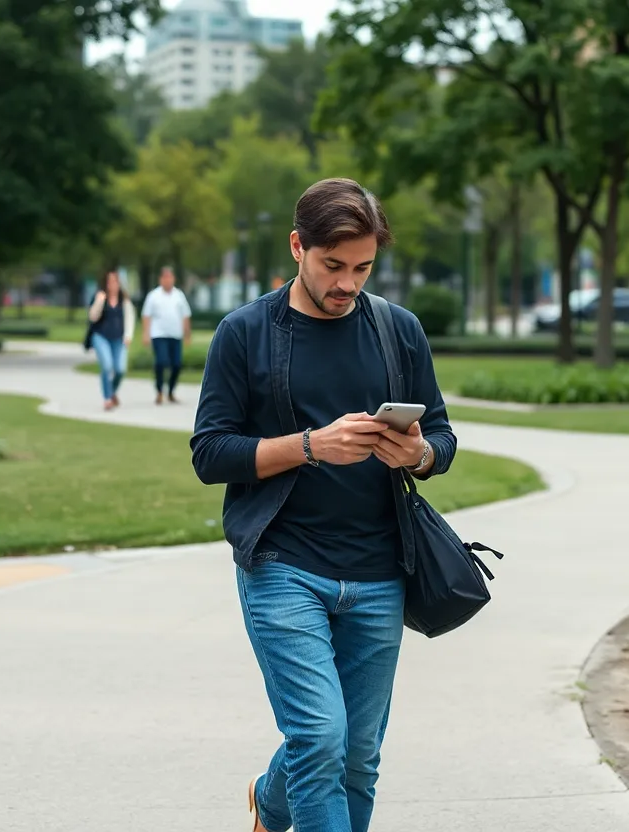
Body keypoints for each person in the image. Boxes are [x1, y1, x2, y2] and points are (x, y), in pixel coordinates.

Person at [190, 178, 456, 832]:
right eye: (332, 266)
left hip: (377, 569)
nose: (347, 283)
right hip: (283, 562)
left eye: (363, 268)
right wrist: (310, 445)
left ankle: (268, 798)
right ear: (296, 247)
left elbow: (443, 438)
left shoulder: (398, 331)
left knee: (357, 755)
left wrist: (417, 455)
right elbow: (210, 452)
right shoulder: (245, 332)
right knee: (318, 738)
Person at [141, 267, 192, 404]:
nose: (167, 281)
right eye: (165, 278)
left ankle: (170, 390)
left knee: (176, 364)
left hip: (175, 335)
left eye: (170, 278)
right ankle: (159, 390)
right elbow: (146, 315)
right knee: (161, 361)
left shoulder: (178, 295)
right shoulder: (154, 296)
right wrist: (145, 333)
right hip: (159, 334)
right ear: (161, 279)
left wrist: (187, 334)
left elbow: (186, 315)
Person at [87, 271, 135, 410]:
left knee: (120, 369)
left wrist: (128, 336)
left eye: (115, 282)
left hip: (118, 338)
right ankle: (107, 398)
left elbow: (129, 319)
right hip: (101, 336)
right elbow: (92, 317)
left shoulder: (124, 300)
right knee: (107, 366)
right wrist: (99, 301)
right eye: (110, 282)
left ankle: (112, 391)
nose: (112, 285)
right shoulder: (101, 297)